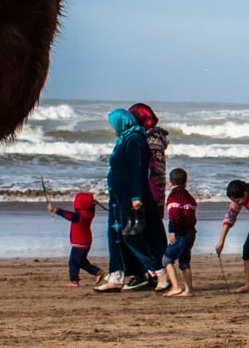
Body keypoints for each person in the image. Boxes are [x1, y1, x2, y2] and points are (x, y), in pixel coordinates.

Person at [103, 106, 166, 290]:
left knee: (132, 235)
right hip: (119, 196)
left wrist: (136, 196)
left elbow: (138, 168)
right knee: (116, 234)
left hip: (130, 198)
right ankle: (117, 275)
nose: (111, 128)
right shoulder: (124, 139)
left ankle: (158, 272)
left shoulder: (134, 139)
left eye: (112, 124)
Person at [48, 191, 103, 288]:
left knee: (73, 262)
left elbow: (68, 215)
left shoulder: (79, 216)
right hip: (86, 242)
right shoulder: (89, 213)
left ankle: (74, 281)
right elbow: (90, 209)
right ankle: (97, 272)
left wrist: (55, 210)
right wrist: (93, 204)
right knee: (81, 262)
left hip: (79, 242)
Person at [161, 168, 198, 297]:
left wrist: (172, 232)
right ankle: (189, 289)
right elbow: (191, 217)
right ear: (186, 182)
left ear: (169, 183)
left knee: (167, 259)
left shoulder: (173, 197)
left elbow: (174, 216)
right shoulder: (190, 198)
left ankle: (176, 287)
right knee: (184, 262)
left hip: (180, 233)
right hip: (190, 232)